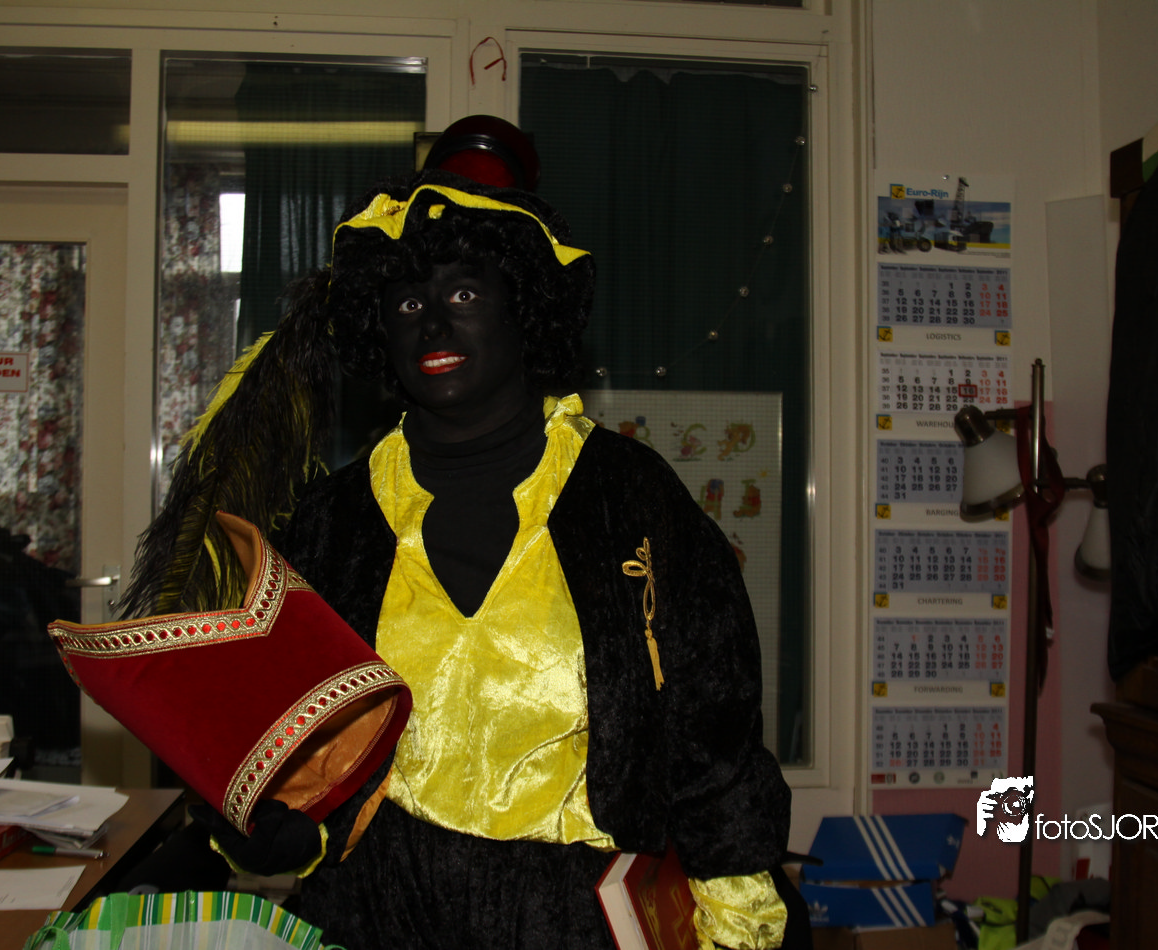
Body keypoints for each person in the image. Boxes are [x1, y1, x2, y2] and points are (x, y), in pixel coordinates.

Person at [119, 131, 807, 949]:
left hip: (574, 924)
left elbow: (712, 727)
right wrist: (264, 814)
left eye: (465, 293)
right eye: (408, 304)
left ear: (522, 310)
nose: (433, 322)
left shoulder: (630, 498)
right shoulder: (335, 520)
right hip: (375, 917)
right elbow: (288, 740)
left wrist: (738, 913)